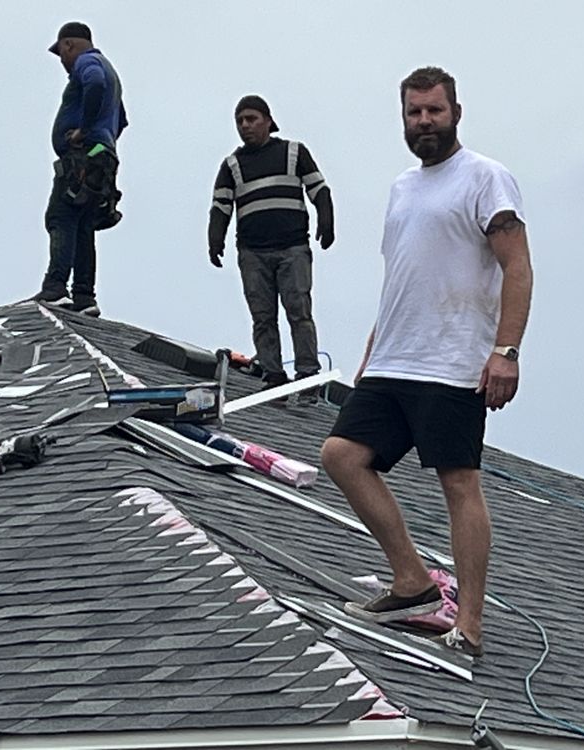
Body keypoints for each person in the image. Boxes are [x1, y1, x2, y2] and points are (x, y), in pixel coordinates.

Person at [321, 67, 533, 657]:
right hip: (394, 359)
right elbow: (403, 277)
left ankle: (469, 625)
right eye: (414, 113)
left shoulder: (485, 178)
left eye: (434, 111)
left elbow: (518, 266)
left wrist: (506, 351)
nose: (424, 122)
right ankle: (412, 582)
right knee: (341, 456)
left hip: (454, 361)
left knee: (458, 482)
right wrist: (372, 351)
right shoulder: (402, 189)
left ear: (455, 113)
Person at [208, 95, 334, 403]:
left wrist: (326, 220)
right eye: (240, 121)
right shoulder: (232, 165)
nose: (245, 126)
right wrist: (215, 239)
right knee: (262, 317)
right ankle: (273, 376)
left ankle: (307, 376)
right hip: (252, 253)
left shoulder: (294, 152)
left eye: (251, 119)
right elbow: (221, 207)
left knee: (299, 311)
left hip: (293, 247)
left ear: (268, 121)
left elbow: (319, 189)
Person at [34, 22, 126, 318]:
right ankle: (84, 297)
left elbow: (94, 83)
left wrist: (83, 132)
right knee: (84, 224)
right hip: (102, 158)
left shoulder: (88, 63)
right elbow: (122, 120)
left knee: (60, 216)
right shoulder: (112, 72)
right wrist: (103, 142)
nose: (62, 60)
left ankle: (55, 288)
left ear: (68, 45)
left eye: (61, 53)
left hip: (83, 157)